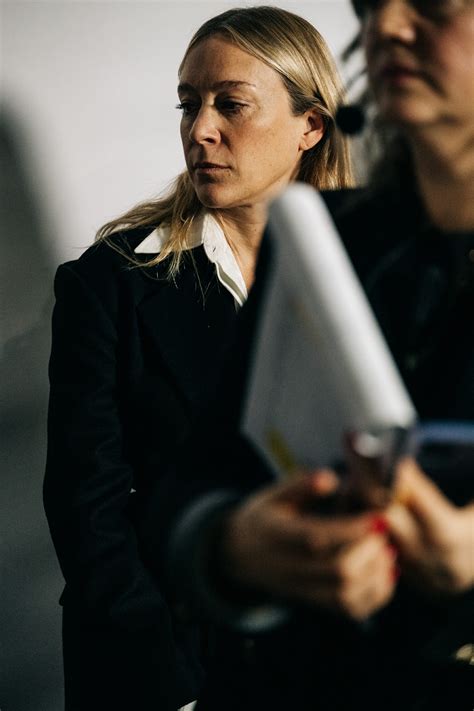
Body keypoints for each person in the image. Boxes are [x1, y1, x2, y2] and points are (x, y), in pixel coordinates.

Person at [139, 1, 474, 709]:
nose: (385, 26)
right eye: (370, 5)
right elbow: (188, 489)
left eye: (433, 3)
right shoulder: (331, 240)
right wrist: (236, 544)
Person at [42, 7, 353, 711]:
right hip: (171, 670)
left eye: (230, 104)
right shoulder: (108, 284)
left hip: (336, 661)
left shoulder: (377, 274)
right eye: (189, 104)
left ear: (311, 126)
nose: (199, 129)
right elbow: (86, 506)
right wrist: (167, 684)